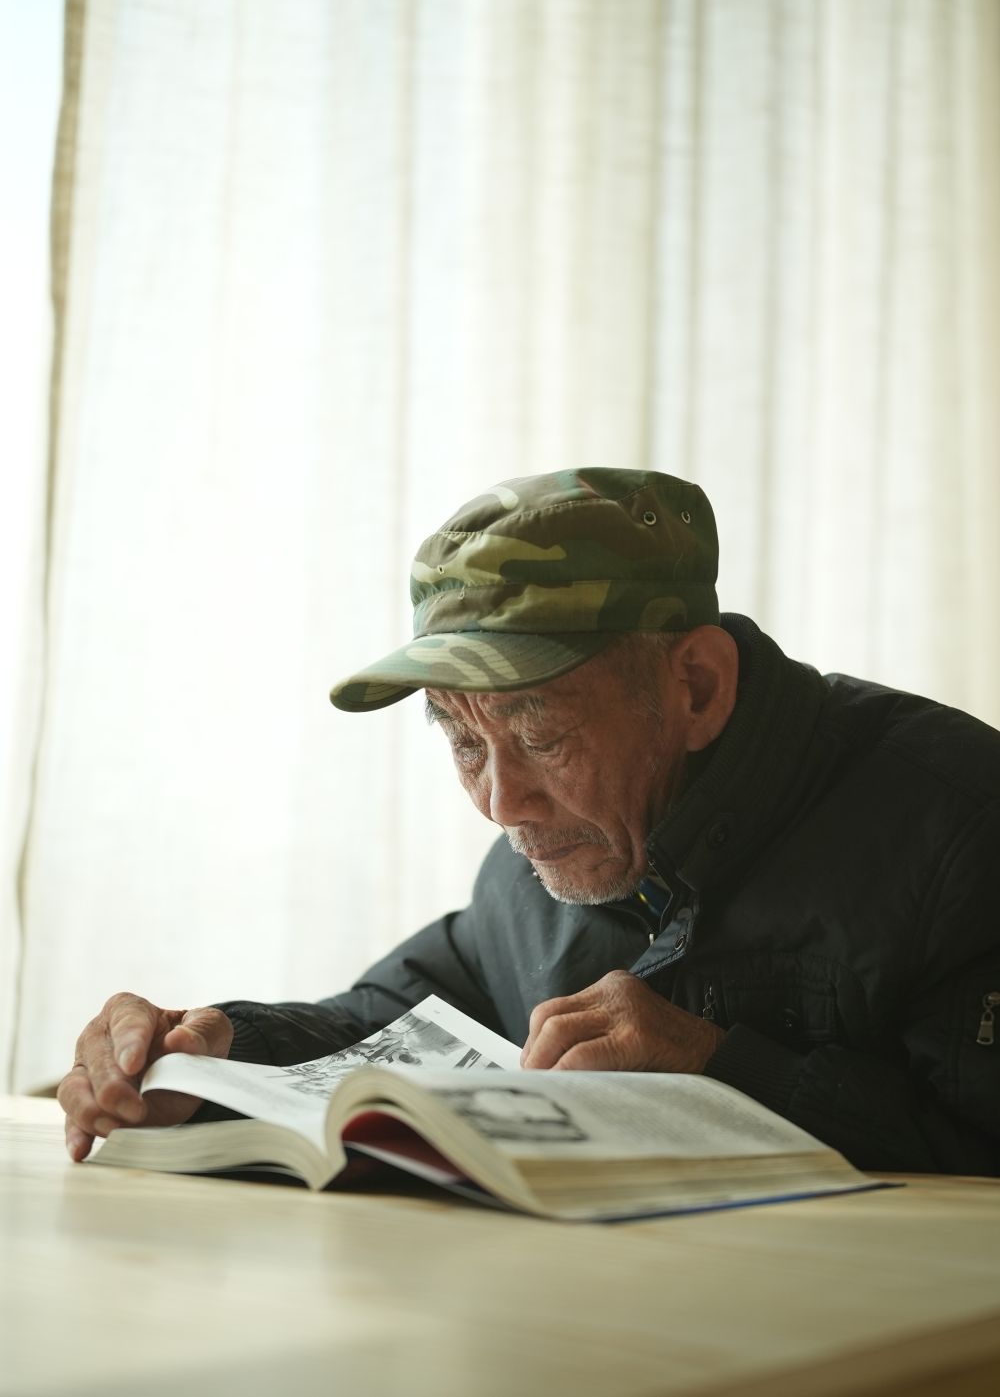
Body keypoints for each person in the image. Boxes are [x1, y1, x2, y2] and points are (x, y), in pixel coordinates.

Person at [58, 468, 1000, 1174]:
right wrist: (209, 1053)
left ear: (696, 686)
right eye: (465, 741)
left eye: (542, 735)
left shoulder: (961, 823)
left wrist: (719, 1071)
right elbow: (387, 1024)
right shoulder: (544, 854)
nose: (502, 804)